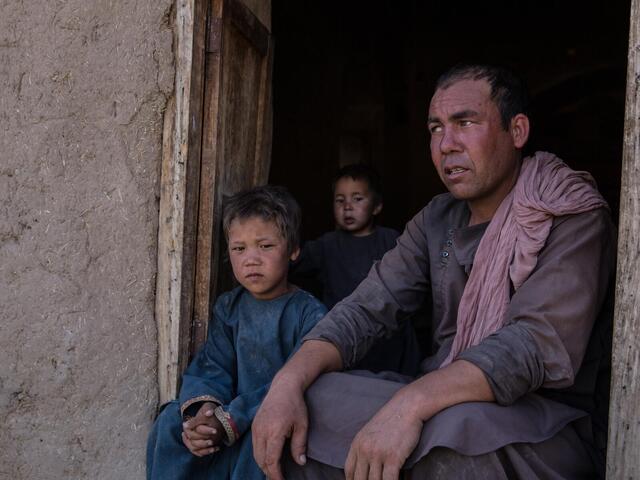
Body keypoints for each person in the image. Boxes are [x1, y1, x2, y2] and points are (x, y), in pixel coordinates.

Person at [251, 64, 616, 479]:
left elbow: (531, 344)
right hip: (443, 398)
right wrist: (285, 383)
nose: (446, 144)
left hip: (548, 423)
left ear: (517, 131)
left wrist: (409, 406)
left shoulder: (569, 213)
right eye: (436, 128)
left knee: (454, 436)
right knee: (308, 402)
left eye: (465, 123)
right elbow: (366, 309)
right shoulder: (437, 219)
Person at [146, 185, 327, 480]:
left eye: (265, 246)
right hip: (225, 416)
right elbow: (212, 364)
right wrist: (205, 413)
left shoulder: (309, 313)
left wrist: (232, 419)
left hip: (267, 413)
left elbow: (301, 384)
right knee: (170, 421)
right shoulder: (229, 307)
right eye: (239, 248)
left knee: (263, 438)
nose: (250, 259)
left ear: (293, 250)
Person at [290, 164, 421, 375]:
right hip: (342, 337)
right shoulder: (327, 245)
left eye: (357, 199)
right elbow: (290, 264)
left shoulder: (391, 240)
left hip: (388, 338)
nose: (347, 207)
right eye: (340, 200)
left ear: (377, 206)